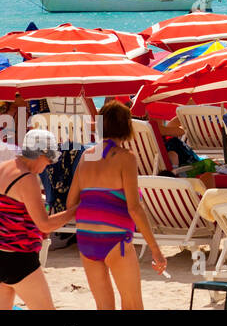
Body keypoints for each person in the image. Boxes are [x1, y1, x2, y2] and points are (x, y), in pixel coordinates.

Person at [67, 102, 167, 310]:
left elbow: (71, 203)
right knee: (132, 305)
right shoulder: (126, 158)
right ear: (127, 127)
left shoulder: (86, 156)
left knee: (104, 307)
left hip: (86, 237)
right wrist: (156, 250)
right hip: (115, 238)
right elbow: (134, 208)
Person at [0, 130, 75, 310]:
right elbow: (45, 224)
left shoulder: (3, 168)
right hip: (19, 258)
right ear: (40, 154)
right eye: (49, 160)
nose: (48, 165)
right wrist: (76, 210)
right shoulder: (27, 178)